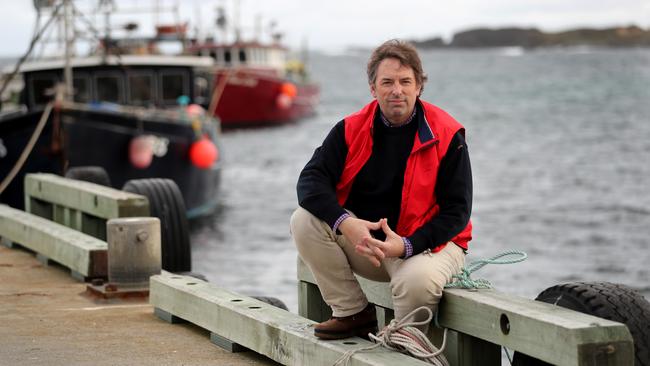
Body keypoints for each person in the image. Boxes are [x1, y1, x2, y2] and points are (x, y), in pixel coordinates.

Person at [290, 39, 472, 340]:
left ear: (419, 87)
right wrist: (345, 223)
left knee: (415, 282)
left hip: (428, 247)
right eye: (387, 82)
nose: (396, 90)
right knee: (304, 220)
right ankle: (353, 315)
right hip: (369, 247)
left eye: (405, 81)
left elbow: (458, 213)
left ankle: (405, 344)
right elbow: (310, 181)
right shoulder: (350, 129)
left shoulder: (448, 135)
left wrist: (406, 246)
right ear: (373, 89)